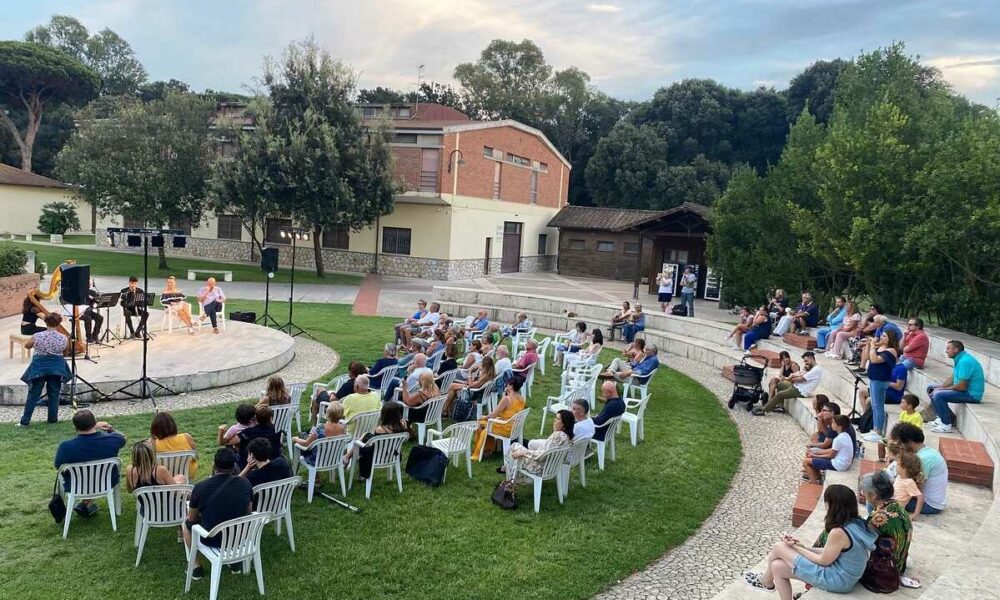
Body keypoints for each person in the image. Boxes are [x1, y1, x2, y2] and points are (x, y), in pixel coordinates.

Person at [745, 484, 877, 598]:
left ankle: (766, 582)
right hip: (845, 576)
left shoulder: (839, 532)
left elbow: (823, 561)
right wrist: (802, 546)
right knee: (777, 567)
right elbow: (830, 553)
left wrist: (795, 548)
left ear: (831, 505)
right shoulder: (856, 523)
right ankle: (767, 583)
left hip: (838, 580)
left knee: (780, 547)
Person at [183, 449, 252, 580]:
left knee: (186, 524)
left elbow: (192, 518)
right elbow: (248, 511)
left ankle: (195, 566)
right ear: (234, 467)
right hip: (238, 538)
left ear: (214, 466)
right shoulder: (245, 483)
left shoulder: (200, 487)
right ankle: (233, 562)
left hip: (212, 539)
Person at [54, 410, 126, 517]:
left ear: (75, 428)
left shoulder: (65, 447)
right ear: (95, 423)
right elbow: (123, 437)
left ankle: (86, 502)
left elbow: (58, 466)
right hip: (106, 481)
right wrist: (110, 428)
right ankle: (87, 503)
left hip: (76, 485)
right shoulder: (112, 440)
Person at [17, 313, 71, 427]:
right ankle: (52, 419)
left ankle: (25, 421)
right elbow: (66, 352)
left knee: (33, 394)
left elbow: (27, 346)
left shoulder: (37, 336)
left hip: (39, 367)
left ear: (46, 322)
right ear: (59, 323)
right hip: (56, 367)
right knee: (54, 394)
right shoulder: (63, 337)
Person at [859, 470, 914, 578]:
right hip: (899, 564)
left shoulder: (877, 518)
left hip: (884, 572)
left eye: (863, 492)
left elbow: (863, 544)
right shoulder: (898, 508)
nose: (863, 494)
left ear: (873, 495)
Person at [927, 340, 985, 433]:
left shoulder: (965, 361)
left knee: (938, 395)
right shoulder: (960, 359)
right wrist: (940, 387)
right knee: (931, 388)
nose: (946, 351)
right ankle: (942, 418)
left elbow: (962, 387)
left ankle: (946, 425)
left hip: (971, 394)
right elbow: (953, 377)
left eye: (948, 349)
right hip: (964, 391)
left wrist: (942, 389)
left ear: (956, 350)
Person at [890, 423, 947, 514]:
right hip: (935, 501)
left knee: (881, 498)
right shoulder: (929, 452)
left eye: (900, 444)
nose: (900, 447)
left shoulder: (922, 459)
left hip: (929, 505)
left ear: (908, 442)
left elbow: (916, 489)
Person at [502, 410, 574, 476]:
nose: (554, 420)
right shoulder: (567, 437)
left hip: (538, 468)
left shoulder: (557, 436)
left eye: (558, 419)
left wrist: (523, 453)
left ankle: (508, 473)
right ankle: (508, 468)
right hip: (551, 468)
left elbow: (542, 455)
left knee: (515, 446)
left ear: (565, 423)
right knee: (524, 447)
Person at [342, 402, 410, 472]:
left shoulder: (381, 429)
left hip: (378, 457)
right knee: (366, 435)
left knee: (359, 444)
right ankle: (347, 457)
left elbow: (374, 444)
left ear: (384, 415)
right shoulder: (403, 424)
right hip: (395, 455)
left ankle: (347, 457)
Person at [471, 377, 527, 461]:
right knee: (486, 423)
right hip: (515, 427)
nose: (506, 385)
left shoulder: (506, 399)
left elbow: (493, 415)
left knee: (480, 422)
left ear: (511, 386)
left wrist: (484, 417)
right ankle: (490, 448)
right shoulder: (521, 398)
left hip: (505, 428)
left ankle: (485, 450)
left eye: (507, 384)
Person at [753, 351, 823, 415]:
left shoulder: (816, 370)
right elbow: (800, 374)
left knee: (780, 394)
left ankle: (764, 410)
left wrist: (790, 378)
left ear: (811, 358)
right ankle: (779, 406)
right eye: (805, 362)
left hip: (800, 391)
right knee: (779, 385)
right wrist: (791, 377)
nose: (805, 363)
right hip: (797, 386)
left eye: (806, 361)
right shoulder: (811, 368)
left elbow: (800, 379)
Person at [861, 328, 900, 443]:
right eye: (882, 335)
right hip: (874, 379)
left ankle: (878, 431)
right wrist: (869, 345)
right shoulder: (880, 347)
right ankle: (874, 429)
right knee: (874, 404)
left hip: (881, 380)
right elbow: (868, 357)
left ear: (890, 339)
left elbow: (875, 359)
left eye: (884, 336)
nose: (881, 337)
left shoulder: (891, 350)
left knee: (878, 405)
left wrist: (873, 346)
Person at [802, 415, 854, 483]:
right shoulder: (846, 436)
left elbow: (831, 455)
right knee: (812, 452)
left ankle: (814, 483)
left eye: (833, 423)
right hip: (843, 463)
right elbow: (833, 450)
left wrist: (815, 456)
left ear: (839, 426)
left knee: (805, 461)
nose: (832, 425)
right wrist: (816, 453)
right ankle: (817, 476)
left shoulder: (838, 439)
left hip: (838, 465)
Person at [293, 401, 347, 466]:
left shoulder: (320, 427)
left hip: (316, 460)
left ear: (327, 413)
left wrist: (296, 439)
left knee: (301, 437)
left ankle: (295, 469)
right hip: (334, 460)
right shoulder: (343, 429)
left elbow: (306, 444)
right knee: (305, 436)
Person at [149, 412, 199, 481]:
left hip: (163, 481)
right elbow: (195, 456)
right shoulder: (187, 437)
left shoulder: (153, 443)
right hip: (186, 479)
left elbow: (149, 463)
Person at [892, 451, 925, 519]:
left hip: (896, 509)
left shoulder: (909, 482)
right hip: (891, 502)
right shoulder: (899, 477)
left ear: (904, 469)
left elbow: (920, 497)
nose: (896, 466)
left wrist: (915, 515)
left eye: (898, 464)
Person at [80, 278, 104, 343]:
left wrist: (96, 300)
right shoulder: (79, 292)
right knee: (88, 318)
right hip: (80, 312)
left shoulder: (92, 292)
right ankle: (88, 337)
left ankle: (95, 335)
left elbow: (95, 302)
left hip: (89, 311)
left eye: (89, 283)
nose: (89, 284)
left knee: (100, 318)